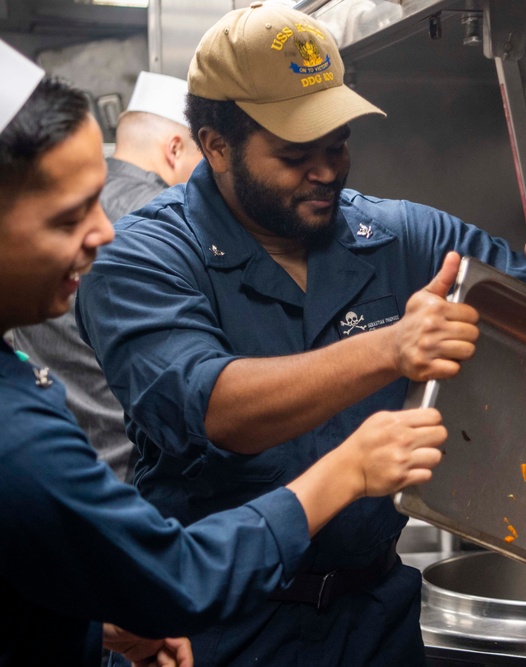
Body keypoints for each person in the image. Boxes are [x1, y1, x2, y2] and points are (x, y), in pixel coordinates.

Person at [76, 4, 526, 665]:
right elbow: (213, 408)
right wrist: (390, 347)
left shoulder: (393, 235)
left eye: (339, 142)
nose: (326, 169)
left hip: (371, 618)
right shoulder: (142, 258)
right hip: (214, 629)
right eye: (296, 154)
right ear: (216, 146)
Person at [0, 58, 447, 666]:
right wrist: (347, 470)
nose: (104, 232)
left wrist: (94, 625)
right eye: (68, 216)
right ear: (212, 147)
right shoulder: (15, 427)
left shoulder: (387, 231)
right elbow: (175, 574)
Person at [10, 70, 200, 481]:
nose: (103, 233)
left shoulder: (85, 190)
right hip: (127, 464)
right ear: (174, 149)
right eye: (69, 219)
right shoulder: (162, 219)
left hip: (65, 441)